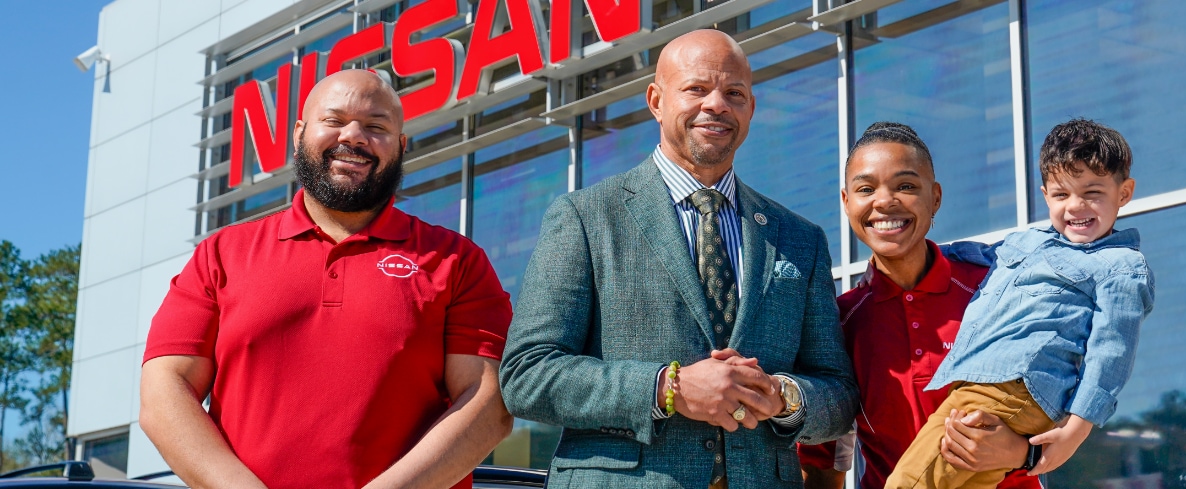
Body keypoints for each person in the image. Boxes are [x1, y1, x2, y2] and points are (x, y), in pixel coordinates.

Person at [498, 29, 858, 488]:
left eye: (734, 93)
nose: (716, 104)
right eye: (696, 88)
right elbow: (527, 375)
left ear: (751, 108)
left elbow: (840, 393)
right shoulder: (585, 218)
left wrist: (786, 397)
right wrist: (668, 388)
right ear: (656, 100)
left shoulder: (799, 239)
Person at [139, 70, 514, 489]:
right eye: (333, 121)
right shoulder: (222, 254)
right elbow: (163, 393)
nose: (353, 137)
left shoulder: (456, 261)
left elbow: (489, 405)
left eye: (376, 126)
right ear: (299, 133)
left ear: (402, 146)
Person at [885, 118, 1156, 488]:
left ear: (1124, 193)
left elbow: (1110, 354)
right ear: (1046, 195)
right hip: (982, 386)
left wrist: (1074, 432)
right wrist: (908, 247)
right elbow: (974, 254)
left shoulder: (1121, 266)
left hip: (1012, 389)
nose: (1076, 207)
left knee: (908, 483)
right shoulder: (1027, 242)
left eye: (1092, 193)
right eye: (1062, 195)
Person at [798, 123, 1041, 489]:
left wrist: (1022, 454)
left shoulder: (995, 289)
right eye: (866, 189)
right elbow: (826, 462)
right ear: (846, 203)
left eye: (906, 186)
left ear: (935, 198)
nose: (884, 201)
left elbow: (1065, 404)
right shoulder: (837, 324)